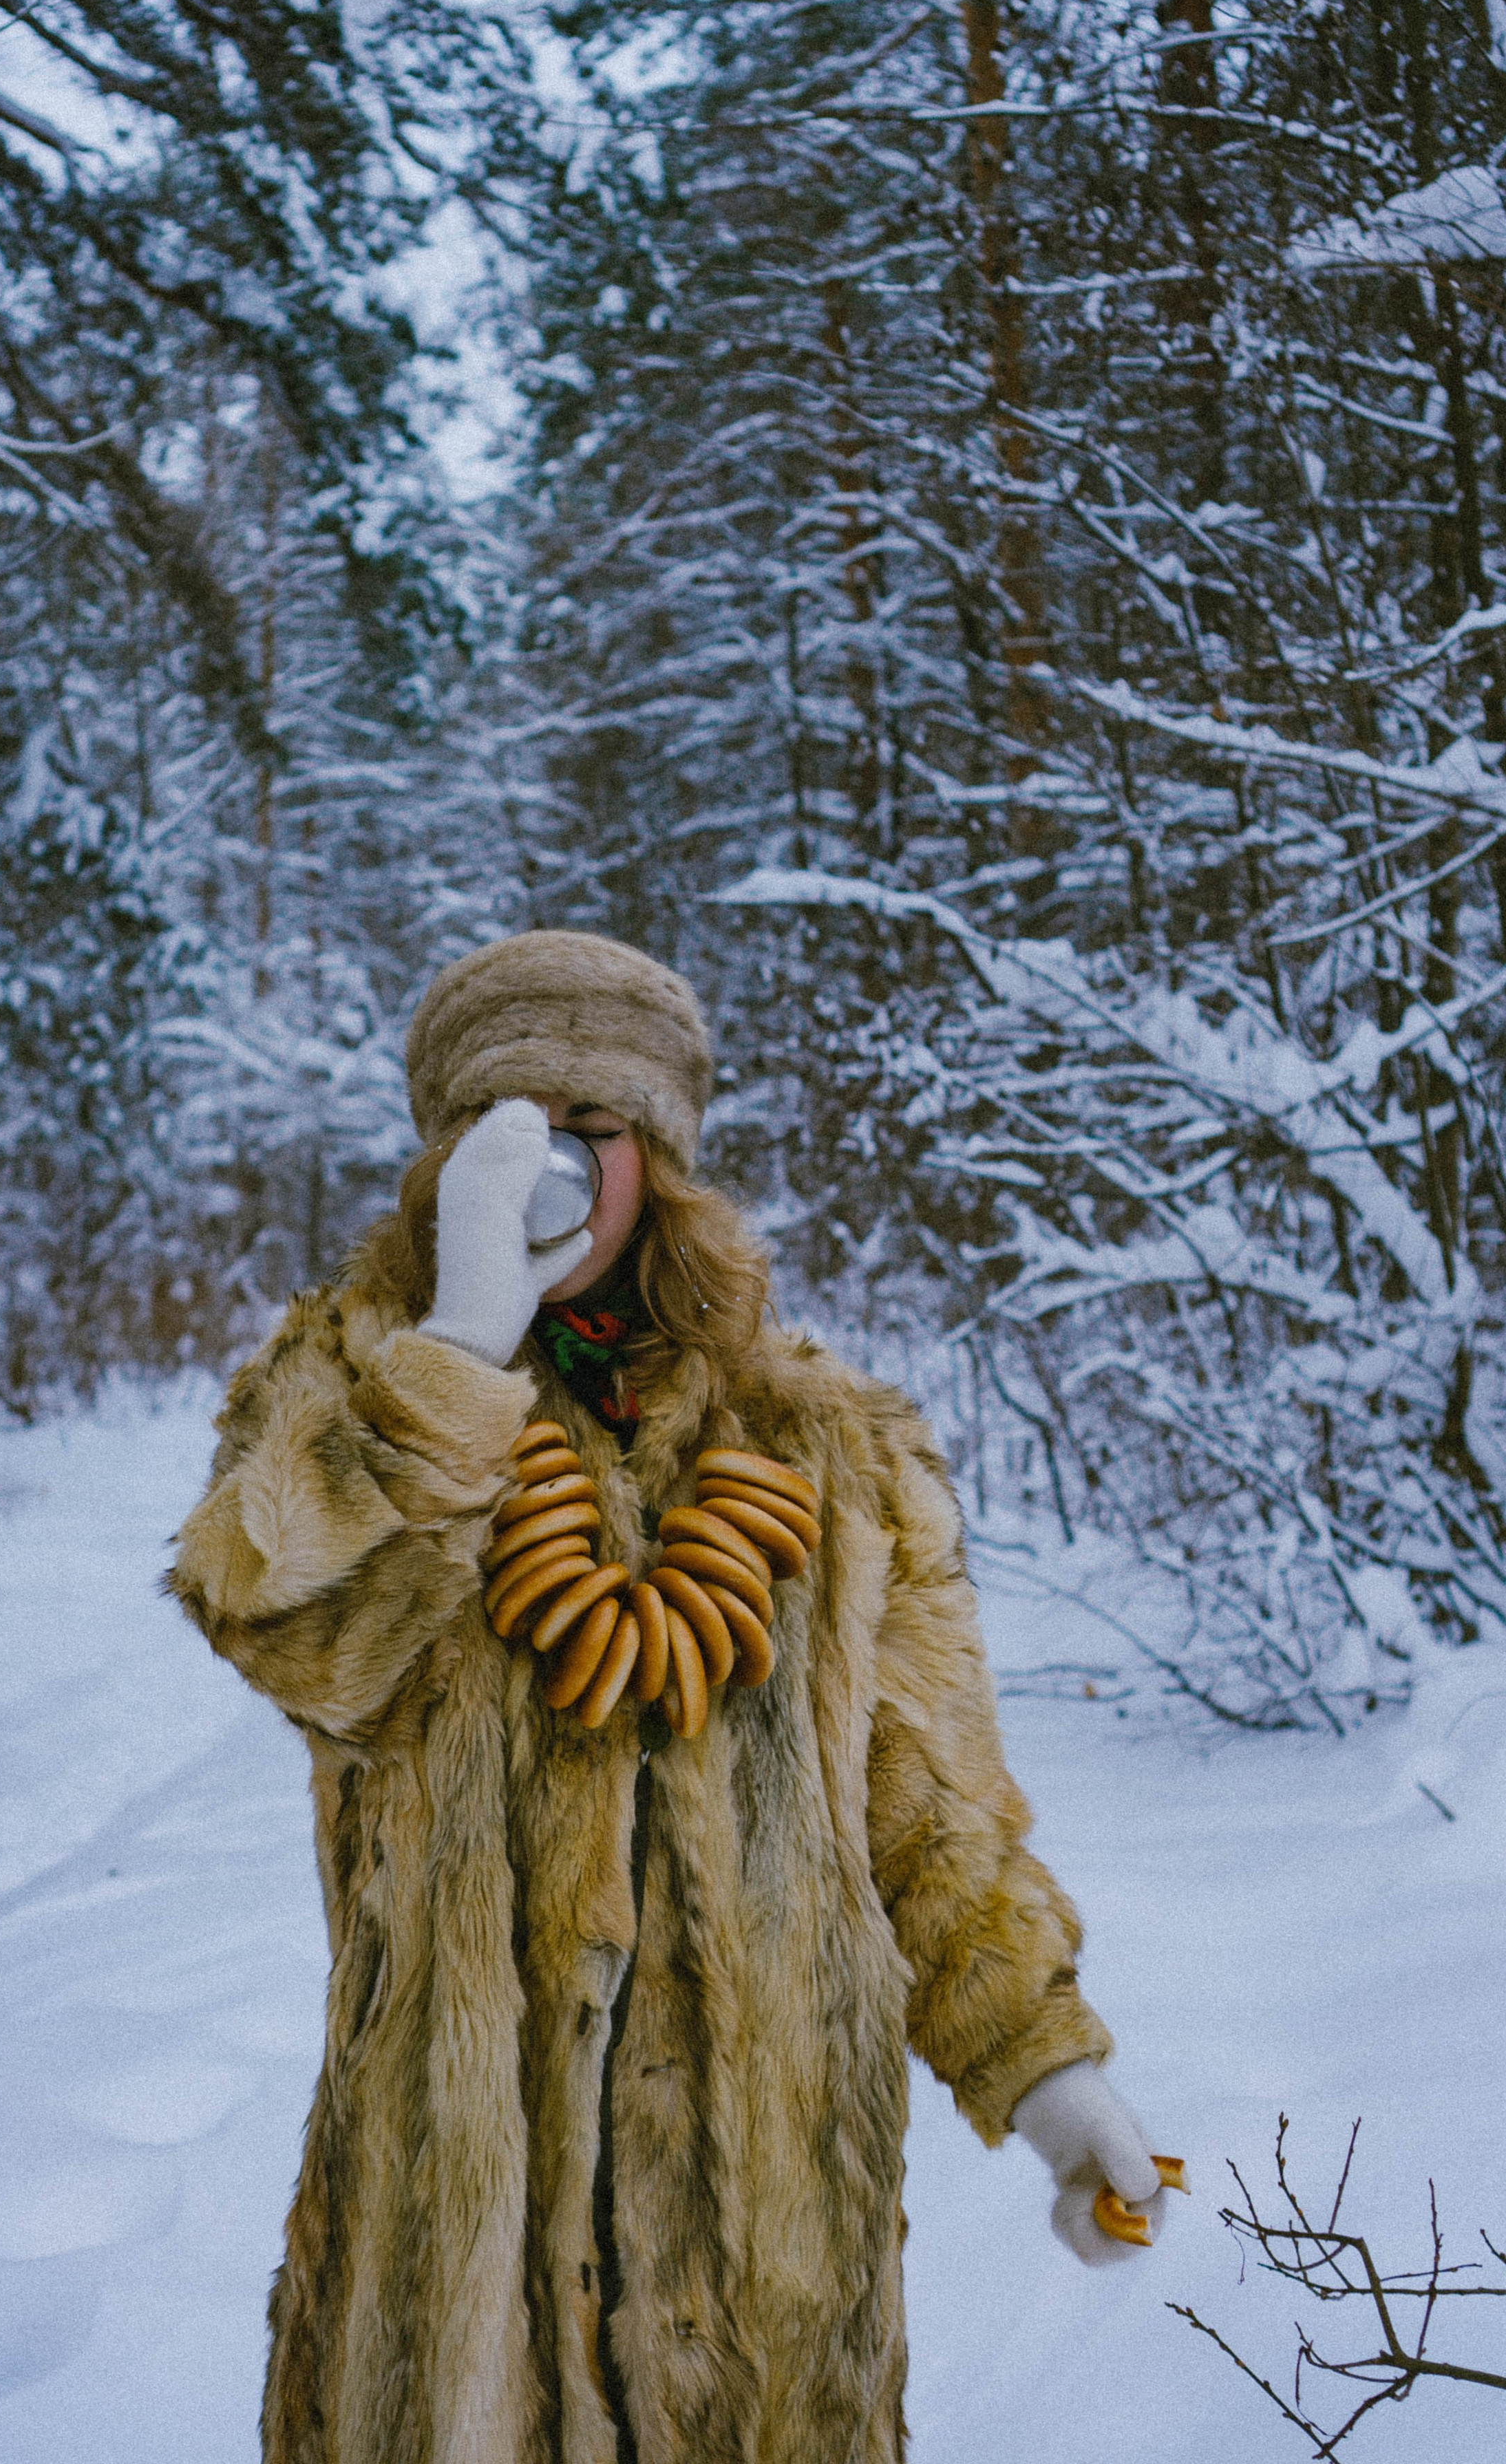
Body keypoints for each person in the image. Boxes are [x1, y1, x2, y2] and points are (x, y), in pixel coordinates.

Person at [169, 930, 1173, 2464]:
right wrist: (457, 1358)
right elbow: (292, 1631)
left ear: (662, 1156)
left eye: (588, 1132)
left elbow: (923, 1810)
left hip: (765, 2261)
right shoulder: (353, 1395)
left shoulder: (831, 1447)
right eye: (503, 1136)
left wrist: (1047, 2070)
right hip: (453, 2261)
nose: (552, 1172)